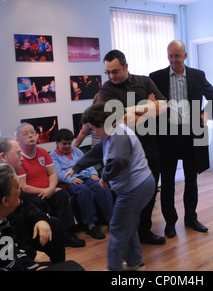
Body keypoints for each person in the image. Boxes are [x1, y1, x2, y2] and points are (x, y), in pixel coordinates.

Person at [64, 103, 155, 271]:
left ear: (105, 125)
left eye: (93, 129)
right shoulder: (110, 136)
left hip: (136, 187)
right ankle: (135, 263)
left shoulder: (119, 135)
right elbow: (96, 153)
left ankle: (114, 269)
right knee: (128, 225)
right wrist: (76, 167)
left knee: (117, 228)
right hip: (137, 186)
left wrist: (105, 178)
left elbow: (119, 160)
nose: (92, 133)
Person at [149, 40, 213, 238]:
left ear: (185, 55)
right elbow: (148, 104)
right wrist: (149, 105)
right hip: (167, 135)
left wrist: (205, 115)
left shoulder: (198, 75)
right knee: (168, 181)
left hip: (192, 135)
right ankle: (170, 222)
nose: (173, 60)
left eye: (177, 56)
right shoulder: (156, 77)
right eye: (170, 56)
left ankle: (191, 218)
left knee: (191, 179)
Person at [99, 49, 167, 245]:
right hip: (122, 149)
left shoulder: (144, 81)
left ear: (126, 66)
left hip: (148, 146)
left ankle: (144, 231)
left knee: (150, 190)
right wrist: (147, 108)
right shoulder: (106, 89)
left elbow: (162, 106)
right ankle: (127, 236)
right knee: (124, 194)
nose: (111, 76)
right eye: (108, 72)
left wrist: (127, 112)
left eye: (115, 71)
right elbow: (113, 119)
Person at [0, 136, 67, 264]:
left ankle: (58, 266)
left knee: (53, 224)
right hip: (6, 248)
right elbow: (2, 235)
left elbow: (26, 205)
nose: (22, 158)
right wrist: (30, 253)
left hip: (19, 235)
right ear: (3, 157)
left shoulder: (9, 179)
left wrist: (40, 219)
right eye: (18, 154)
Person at [15, 123, 85, 247]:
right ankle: (48, 239)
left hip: (50, 189)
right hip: (33, 194)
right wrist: (46, 190)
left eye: (32, 132)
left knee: (62, 195)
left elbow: (53, 174)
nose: (31, 136)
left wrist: (51, 188)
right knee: (37, 202)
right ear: (18, 140)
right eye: (26, 134)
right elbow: (23, 186)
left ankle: (67, 234)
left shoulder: (42, 152)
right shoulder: (19, 158)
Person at [50, 128, 113, 240]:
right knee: (84, 190)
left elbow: (87, 163)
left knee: (102, 185)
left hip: (86, 176)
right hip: (69, 180)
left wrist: (93, 173)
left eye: (69, 143)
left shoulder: (77, 151)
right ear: (57, 143)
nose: (68, 146)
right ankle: (91, 225)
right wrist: (71, 180)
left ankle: (111, 220)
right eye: (64, 143)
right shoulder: (53, 156)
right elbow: (58, 173)